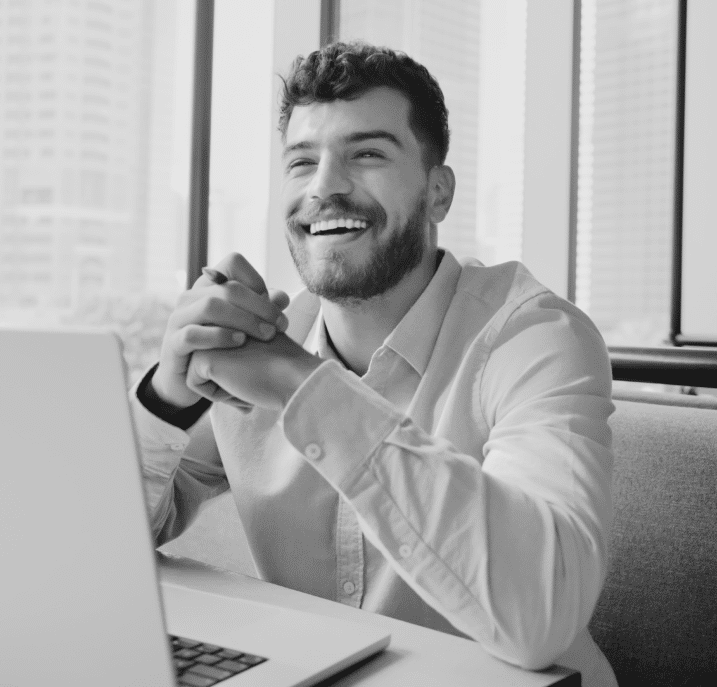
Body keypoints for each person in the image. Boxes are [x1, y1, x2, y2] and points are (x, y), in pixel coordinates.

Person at [130, 41, 616, 686]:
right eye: (302, 162)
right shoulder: (262, 340)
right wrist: (167, 394)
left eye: (367, 154)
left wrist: (301, 386)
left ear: (438, 193)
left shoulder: (534, 336)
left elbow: (542, 615)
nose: (325, 186)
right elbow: (101, 542)